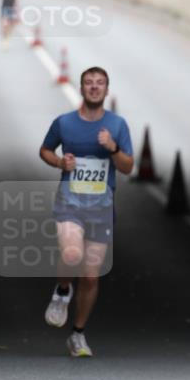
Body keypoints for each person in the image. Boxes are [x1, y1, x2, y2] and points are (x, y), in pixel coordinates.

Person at [39, 67, 134, 357]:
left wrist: (113, 147)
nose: (94, 88)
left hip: (101, 207)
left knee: (91, 276)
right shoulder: (64, 123)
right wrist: (59, 163)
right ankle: (62, 291)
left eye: (100, 83)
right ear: (81, 88)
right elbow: (44, 150)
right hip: (69, 202)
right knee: (71, 255)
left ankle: (78, 334)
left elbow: (128, 166)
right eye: (89, 83)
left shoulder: (117, 125)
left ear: (107, 90)